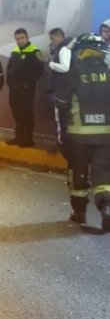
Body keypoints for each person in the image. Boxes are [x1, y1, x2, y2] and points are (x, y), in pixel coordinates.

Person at [64, 33, 110, 230]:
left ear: (82, 51)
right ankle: (106, 207)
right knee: (104, 175)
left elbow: (61, 102)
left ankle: (79, 213)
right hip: (106, 135)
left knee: (78, 176)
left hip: (78, 137)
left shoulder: (73, 73)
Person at [6, 27, 44, 147]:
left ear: (27, 38)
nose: (20, 40)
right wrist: (10, 83)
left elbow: (39, 70)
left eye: (22, 38)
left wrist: (28, 83)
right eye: (17, 38)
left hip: (26, 89)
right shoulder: (15, 52)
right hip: (14, 89)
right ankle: (18, 136)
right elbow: (10, 69)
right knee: (16, 112)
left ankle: (28, 139)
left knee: (27, 113)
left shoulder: (35, 51)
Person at [47, 27, 76, 157]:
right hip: (66, 89)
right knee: (64, 119)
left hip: (62, 90)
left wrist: (50, 63)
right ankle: (63, 142)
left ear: (60, 36)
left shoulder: (64, 49)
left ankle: (61, 143)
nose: (52, 41)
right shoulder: (65, 48)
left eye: (53, 38)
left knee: (60, 119)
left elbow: (64, 68)